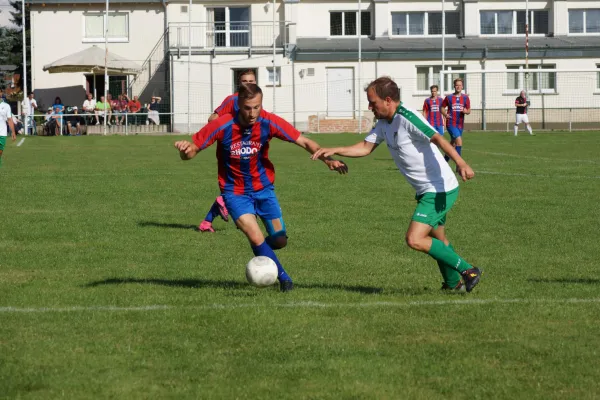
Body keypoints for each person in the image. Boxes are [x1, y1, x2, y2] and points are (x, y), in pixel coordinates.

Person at [311, 77, 482, 293]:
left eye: (373, 102)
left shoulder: (407, 118)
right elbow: (365, 147)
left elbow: (437, 138)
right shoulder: (383, 123)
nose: (369, 107)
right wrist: (335, 150)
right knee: (437, 238)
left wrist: (461, 163)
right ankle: (452, 284)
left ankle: (469, 271)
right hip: (427, 190)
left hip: (439, 189)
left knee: (415, 238)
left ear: (388, 100)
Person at [174, 84, 347, 292]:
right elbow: (193, 150)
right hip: (234, 192)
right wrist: (185, 150)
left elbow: (304, 141)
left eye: (257, 107)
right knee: (255, 235)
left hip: (264, 190)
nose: (253, 113)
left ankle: (262, 251)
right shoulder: (222, 124)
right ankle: (285, 279)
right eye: (248, 108)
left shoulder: (268, 120)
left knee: (280, 240)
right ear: (238, 105)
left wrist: (328, 161)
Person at [199, 69, 257, 232]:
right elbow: (212, 119)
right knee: (238, 187)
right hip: (231, 151)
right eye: (245, 81)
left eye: (252, 81)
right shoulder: (232, 100)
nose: (249, 84)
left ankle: (207, 222)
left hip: (247, 150)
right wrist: (230, 132)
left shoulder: (254, 101)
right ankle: (242, 215)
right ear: (240, 84)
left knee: (242, 186)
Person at [441, 78, 470, 165]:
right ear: (454, 86)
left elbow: (469, 110)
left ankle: (444, 161)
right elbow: (441, 107)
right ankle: (459, 165)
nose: (458, 87)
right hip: (451, 123)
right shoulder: (449, 97)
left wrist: (466, 111)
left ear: (462, 86)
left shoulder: (465, 98)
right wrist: (445, 114)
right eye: (456, 85)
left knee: (453, 144)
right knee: (459, 141)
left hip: (460, 124)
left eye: (460, 85)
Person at [0, 89, 17, 167]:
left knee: (0, 152)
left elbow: (9, 120)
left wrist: (13, 132)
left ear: (1, 93)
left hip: (2, 133)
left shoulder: (6, 106)